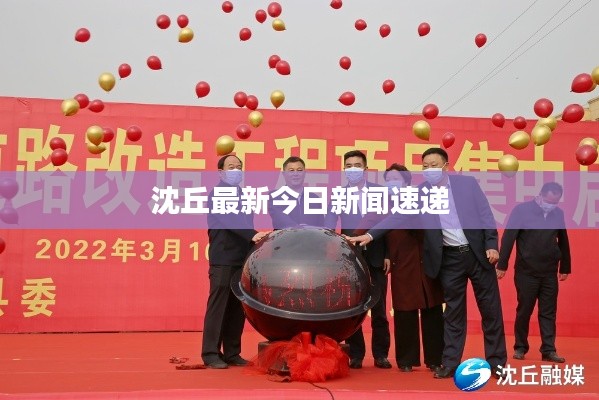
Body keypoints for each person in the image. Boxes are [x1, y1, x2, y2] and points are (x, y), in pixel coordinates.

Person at [348, 148, 507, 379]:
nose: (429, 169)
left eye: (434, 165)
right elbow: (397, 216)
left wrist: (492, 244)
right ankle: (450, 363)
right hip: (450, 259)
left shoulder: (467, 185)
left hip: (478, 255)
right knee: (453, 314)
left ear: (446, 166)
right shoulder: (420, 193)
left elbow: (485, 215)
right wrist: (370, 235)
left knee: (491, 312)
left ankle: (497, 363)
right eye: (425, 166)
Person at [324, 150, 391, 369]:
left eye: (357, 165)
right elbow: (329, 224)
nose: (353, 169)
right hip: (350, 255)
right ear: (344, 169)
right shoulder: (339, 194)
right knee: (353, 306)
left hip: (377, 255)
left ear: (366, 169)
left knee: (379, 308)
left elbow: (389, 226)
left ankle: (381, 355)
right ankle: (356, 354)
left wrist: (388, 254)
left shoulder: (380, 192)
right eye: (349, 166)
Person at [202, 154, 268, 369]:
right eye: (231, 167)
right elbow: (231, 219)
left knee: (236, 307)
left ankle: (232, 352)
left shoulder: (242, 194)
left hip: (241, 258)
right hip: (223, 258)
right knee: (218, 306)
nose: (236, 170)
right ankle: (211, 353)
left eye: (239, 167)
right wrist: (253, 234)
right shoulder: (218, 194)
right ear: (221, 172)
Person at [497, 182, 571, 363]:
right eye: (549, 201)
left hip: (549, 272)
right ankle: (520, 347)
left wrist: (565, 267)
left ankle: (549, 350)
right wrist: (502, 264)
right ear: (540, 196)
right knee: (525, 310)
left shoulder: (558, 213)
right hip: (526, 272)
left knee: (548, 312)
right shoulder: (521, 211)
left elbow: (563, 240)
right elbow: (509, 237)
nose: (552, 205)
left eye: (556, 202)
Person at [381, 164, 444, 372]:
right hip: (401, 262)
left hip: (426, 259)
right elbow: (377, 231)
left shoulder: (421, 198)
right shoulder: (382, 203)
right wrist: (387, 254)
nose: (392, 184)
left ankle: (435, 358)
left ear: (407, 182)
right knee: (404, 309)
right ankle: (406, 360)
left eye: (396, 179)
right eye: (388, 180)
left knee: (432, 308)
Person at [269, 156, 324, 229]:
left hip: (311, 236)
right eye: (291, 170)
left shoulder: (314, 198)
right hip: (286, 236)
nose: (295, 174)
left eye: (299, 170)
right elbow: (281, 221)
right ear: (283, 174)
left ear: (304, 173)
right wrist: (303, 229)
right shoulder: (275, 196)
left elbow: (321, 227)